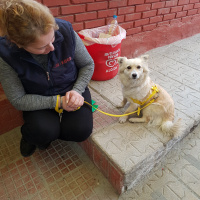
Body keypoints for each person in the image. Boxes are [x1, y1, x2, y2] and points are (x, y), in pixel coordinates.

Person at [0, 0, 94, 157]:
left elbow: (87, 64)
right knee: (42, 131)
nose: (52, 48)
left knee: (81, 131)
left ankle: (52, 132)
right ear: (18, 44)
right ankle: (32, 137)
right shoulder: (5, 54)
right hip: (38, 97)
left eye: (52, 39)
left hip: (71, 88)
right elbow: (17, 99)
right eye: (41, 47)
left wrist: (77, 90)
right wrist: (57, 102)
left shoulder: (65, 30)